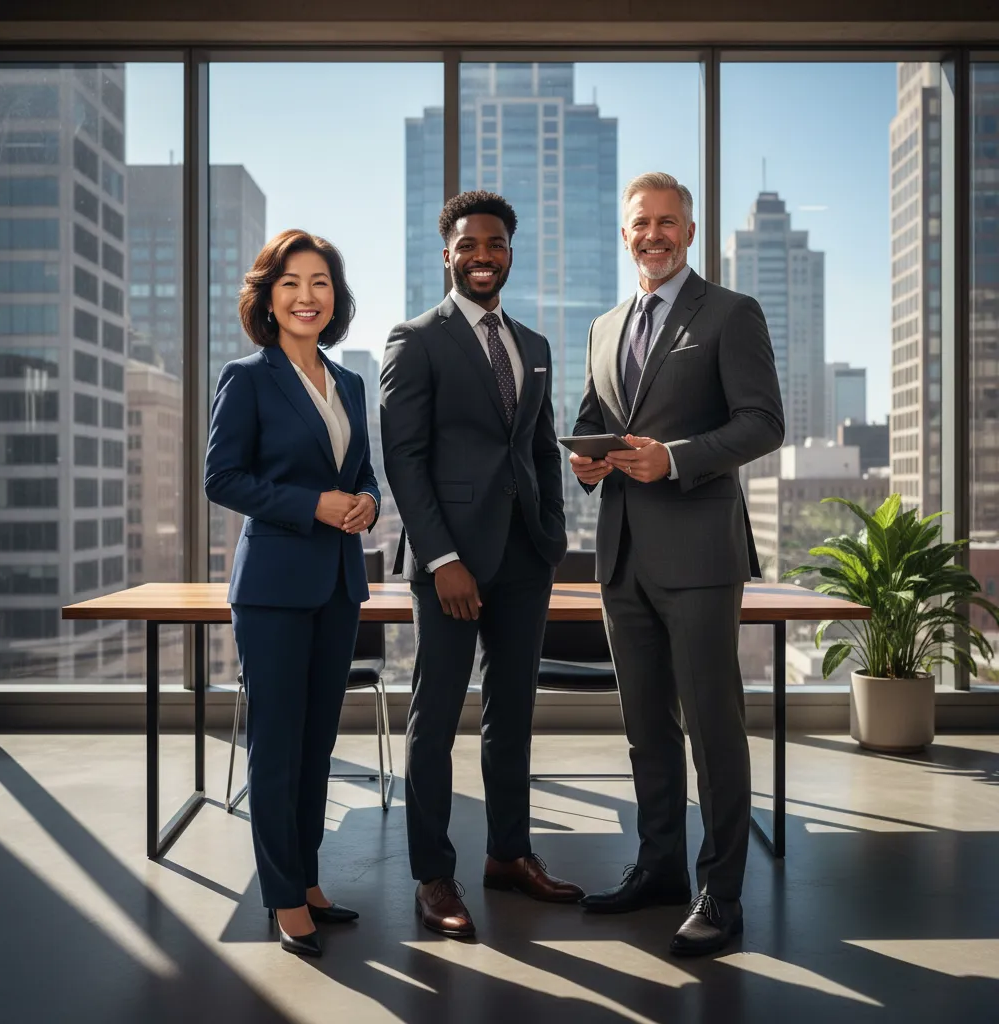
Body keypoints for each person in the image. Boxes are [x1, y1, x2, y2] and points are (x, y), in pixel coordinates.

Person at [571, 173, 785, 956]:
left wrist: (677, 459)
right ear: (624, 232)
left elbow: (764, 423)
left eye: (668, 222)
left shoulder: (730, 313)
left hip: (699, 556)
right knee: (645, 730)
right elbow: (595, 420)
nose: (653, 234)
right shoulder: (602, 326)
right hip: (621, 554)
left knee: (712, 728)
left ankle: (721, 894)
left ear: (689, 232)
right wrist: (585, 461)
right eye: (640, 223)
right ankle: (658, 867)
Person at [381, 191, 581, 939]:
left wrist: (552, 536)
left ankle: (509, 855)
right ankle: (434, 874)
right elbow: (404, 459)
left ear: (508, 252)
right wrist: (442, 559)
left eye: (494, 244)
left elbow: (538, 448)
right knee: (435, 720)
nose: (482, 256)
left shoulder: (533, 345)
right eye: (468, 245)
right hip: (451, 566)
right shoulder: (415, 339)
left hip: (525, 557)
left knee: (513, 718)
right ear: (448, 254)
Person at [203, 229, 380, 958]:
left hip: (338, 584)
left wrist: (364, 500)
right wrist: (313, 505)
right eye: (291, 284)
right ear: (268, 299)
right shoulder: (248, 378)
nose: (307, 297)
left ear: (334, 299)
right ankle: (281, 895)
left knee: (317, 745)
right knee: (276, 747)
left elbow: (362, 471)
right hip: (274, 588)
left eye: (320, 284)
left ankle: (305, 879)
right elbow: (222, 478)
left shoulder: (351, 384)